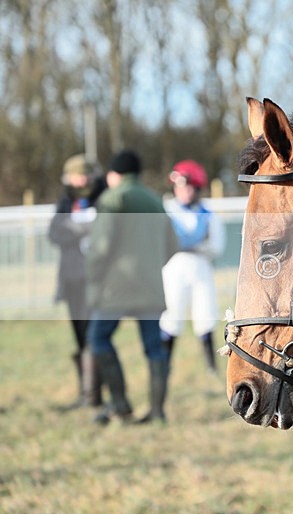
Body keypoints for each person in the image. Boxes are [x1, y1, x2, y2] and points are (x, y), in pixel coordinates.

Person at [86, 150, 177, 425]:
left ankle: (120, 404)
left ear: (115, 174)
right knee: (154, 348)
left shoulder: (112, 198)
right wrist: (150, 267)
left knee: (98, 339)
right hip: (150, 286)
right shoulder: (154, 199)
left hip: (116, 288)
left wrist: (92, 276)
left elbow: (100, 248)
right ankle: (158, 411)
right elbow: (172, 245)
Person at [48, 154, 107, 409]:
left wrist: (79, 229)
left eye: (84, 174)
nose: (81, 180)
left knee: (95, 336)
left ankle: (95, 395)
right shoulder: (65, 201)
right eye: (76, 175)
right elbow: (55, 232)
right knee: (80, 337)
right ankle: (86, 393)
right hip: (72, 279)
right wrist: (78, 230)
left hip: (96, 279)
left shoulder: (102, 198)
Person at [159, 160, 225, 374]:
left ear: (197, 188)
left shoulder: (208, 214)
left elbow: (216, 246)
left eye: (188, 187)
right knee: (171, 316)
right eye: (179, 187)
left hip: (200, 270)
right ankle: (164, 364)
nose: (184, 191)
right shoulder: (166, 211)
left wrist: (189, 244)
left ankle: (211, 367)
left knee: (205, 316)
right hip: (173, 270)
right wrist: (195, 243)